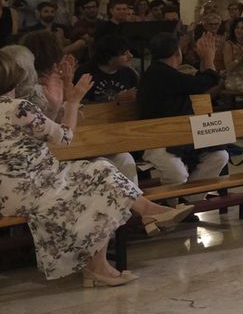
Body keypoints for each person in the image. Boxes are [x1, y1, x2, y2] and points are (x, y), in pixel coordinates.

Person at [0, 58, 192, 286]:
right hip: (33, 186)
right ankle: (100, 263)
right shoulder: (18, 108)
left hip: (15, 189)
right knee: (97, 186)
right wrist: (73, 102)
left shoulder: (14, 109)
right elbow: (64, 137)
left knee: (100, 169)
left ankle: (145, 215)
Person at [138, 32, 230, 187]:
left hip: (181, 137)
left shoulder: (164, 73)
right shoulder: (158, 74)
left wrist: (205, 60)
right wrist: (208, 58)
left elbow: (197, 84)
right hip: (157, 141)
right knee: (177, 174)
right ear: (177, 52)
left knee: (219, 156)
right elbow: (203, 82)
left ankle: (188, 202)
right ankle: (175, 208)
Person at [76, 34, 139, 104]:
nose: (131, 56)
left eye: (129, 52)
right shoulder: (85, 73)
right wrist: (116, 99)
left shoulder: (129, 73)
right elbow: (81, 104)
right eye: (124, 54)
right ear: (109, 58)